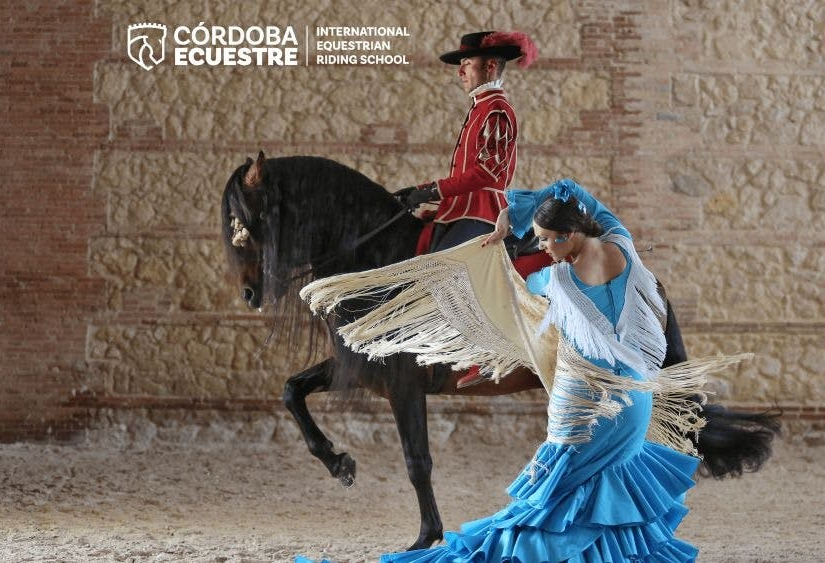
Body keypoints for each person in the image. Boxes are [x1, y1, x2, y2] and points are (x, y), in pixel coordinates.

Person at [301, 179, 748, 562]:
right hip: (636, 404)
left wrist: (507, 219)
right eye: (538, 241)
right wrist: (521, 215)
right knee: (600, 496)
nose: (547, 251)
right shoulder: (622, 244)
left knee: (543, 508)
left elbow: (510, 315)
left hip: (586, 412)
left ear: (571, 233)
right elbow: (571, 191)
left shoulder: (557, 283)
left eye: (551, 240)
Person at [403, 30, 538, 255]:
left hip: (482, 213)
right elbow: (464, 172)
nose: (460, 72)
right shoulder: (481, 107)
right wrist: (420, 190)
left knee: (439, 274)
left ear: (490, 66)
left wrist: (434, 191)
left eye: (466, 63)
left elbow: (488, 171)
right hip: (459, 210)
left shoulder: (496, 109)